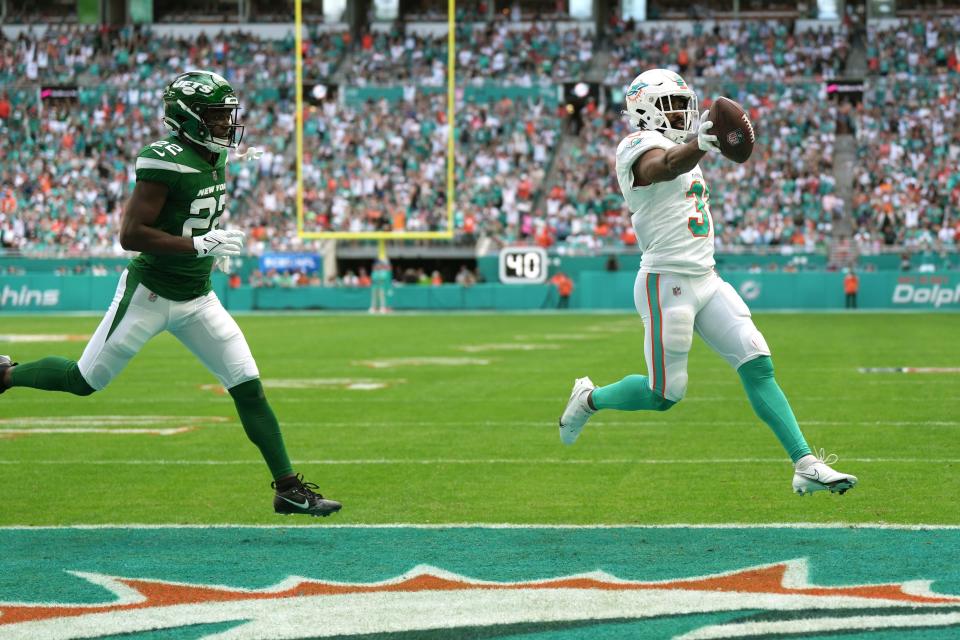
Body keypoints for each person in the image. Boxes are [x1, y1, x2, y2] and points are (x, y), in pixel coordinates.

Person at [0, 71, 340, 517]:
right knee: (84, 381)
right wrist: (198, 244)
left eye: (227, 116)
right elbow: (130, 234)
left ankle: (288, 488)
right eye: (217, 117)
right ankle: (6, 376)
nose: (226, 125)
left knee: (249, 388)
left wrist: (207, 243)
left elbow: (197, 196)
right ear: (189, 118)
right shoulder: (164, 161)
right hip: (151, 294)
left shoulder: (213, 155)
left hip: (198, 297)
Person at [559, 68, 857, 497]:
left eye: (685, 105)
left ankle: (805, 462)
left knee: (757, 360)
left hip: (707, 277)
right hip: (666, 281)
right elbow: (662, 167)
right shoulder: (635, 146)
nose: (684, 114)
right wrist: (699, 143)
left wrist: (696, 144)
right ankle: (589, 399)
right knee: (665, 394)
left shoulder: (684, 148)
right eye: (674, 106)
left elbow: (679, 161)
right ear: (644, 108)